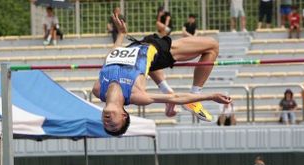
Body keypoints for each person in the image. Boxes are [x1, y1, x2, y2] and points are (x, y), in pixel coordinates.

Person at [92, 15, 231, 136]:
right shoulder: (137, 95)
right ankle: (195, 92)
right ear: (124, 115)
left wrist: (121, 35)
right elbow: (176, 98)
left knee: (144, 67)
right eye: (113, 125)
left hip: (137, 46)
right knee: (212, 46)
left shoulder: (98, 89)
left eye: (106, 125)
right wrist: (211, 97)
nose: (108, 122)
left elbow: (110, 60)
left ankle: (165, 88)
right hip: (157, 50)